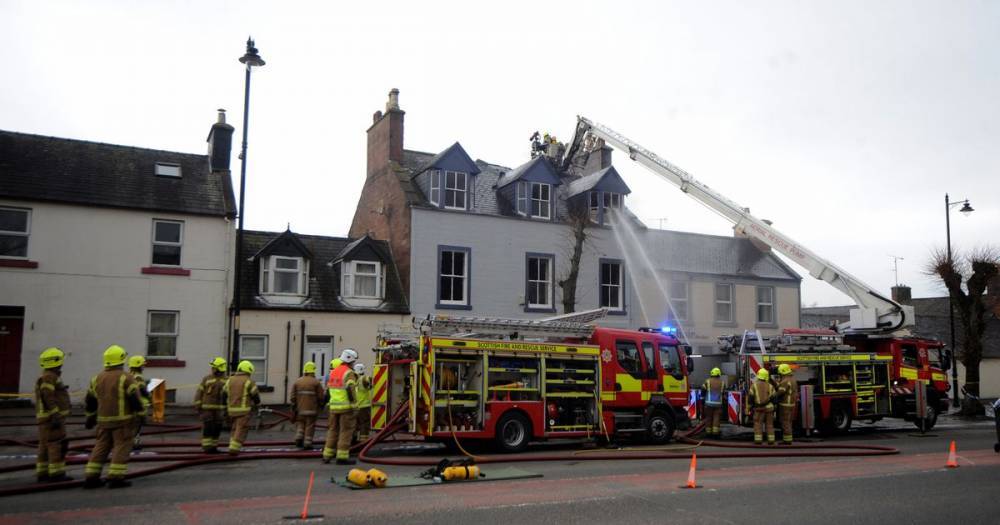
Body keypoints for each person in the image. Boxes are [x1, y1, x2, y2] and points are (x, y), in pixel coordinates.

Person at [83, 345, 144, 489]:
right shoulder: (126, 377)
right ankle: (116, 478)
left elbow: (90, 400)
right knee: (121, 447)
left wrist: (90, 417)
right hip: (123, 422)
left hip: (103, 422)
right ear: (122, 359)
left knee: (100, 447)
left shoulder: (96, 378)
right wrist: (141, 414)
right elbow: (134, 398)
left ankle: (91, 476)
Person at [35, 347, 72, 483]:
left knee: (44, 446)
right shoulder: (50, 377)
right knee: (56, 445)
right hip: (52, 418)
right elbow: (48, 396)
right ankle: (57, 473)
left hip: (46, 418)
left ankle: (43, 472)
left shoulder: (46, 376)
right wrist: (55, 414)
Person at [323, 349, 359, 465]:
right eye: (353, 361)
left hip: (333, 408)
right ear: (350, 360)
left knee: (332, 431)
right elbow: (351, 390)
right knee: (346, 432)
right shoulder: (349, 373)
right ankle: (342, 457)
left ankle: (327, 455)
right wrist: (355, 406)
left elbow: (328, 391)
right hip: (346, 408)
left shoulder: (333, 372)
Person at [225, 360, 261, 455]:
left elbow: (224, 394)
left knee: (234, 429)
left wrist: (226, 407)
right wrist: (258, 404)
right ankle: (234, 449)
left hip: (231, 410)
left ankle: (232, 445)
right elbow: (255, 395)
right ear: (248, 371)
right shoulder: (248, 381)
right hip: (243, 411)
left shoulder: (230, 380)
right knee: (241, 429)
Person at [194, 357, 228, 453]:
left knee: (217, 428)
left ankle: (214, 447)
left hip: (219, 410)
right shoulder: (207, 379)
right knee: (208, 428)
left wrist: (227, 409)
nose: (212, 369)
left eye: (214, 367)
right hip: (207, 409)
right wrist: (198, 405)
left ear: (218, 368)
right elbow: (199, 392)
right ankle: (207, 448)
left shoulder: (227, 380)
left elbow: (229, 396)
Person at [290, 361, 326, 450]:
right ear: (313, 371)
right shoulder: (316, 382)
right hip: (312, 410)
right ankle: (307, 443)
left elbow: (292, 397)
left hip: (300, 410)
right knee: (310, 426)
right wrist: (321, 405)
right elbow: (321, 397)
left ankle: (298, 438)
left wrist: (294, 406)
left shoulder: (297, 382)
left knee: (301, 424)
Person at [745, 368, 776, 445]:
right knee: (770, 425)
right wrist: (774, 408)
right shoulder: (770, 386)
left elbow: (750, 398)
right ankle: (771, 440)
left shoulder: (754, 386)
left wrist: (748, 408)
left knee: (758, 424)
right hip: (769, 409)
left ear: (758, 376)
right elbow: (774, 398)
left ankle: (758, 440)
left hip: (759, 409)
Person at [127, 356, 151, 448]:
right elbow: (142, 389)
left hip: (131, 405)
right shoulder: (138, 377)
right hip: (140, 405)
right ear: (138, 366)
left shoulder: (129, 376)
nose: (143, 367)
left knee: (132, 425)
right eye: (142, 365)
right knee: (136, 426)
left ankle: (132, 442)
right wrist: (149, 396)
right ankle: (133, 443)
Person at [775, 364, 798, 445]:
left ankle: (787, 441)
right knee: (789, 422)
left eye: (780, 373)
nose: (779, 375)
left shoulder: (785, 381)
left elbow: (780, 392)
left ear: (782, 372)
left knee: (785, 422)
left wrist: (772, 396)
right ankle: (788, 439)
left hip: (785, 405)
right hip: (791, 404)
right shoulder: (792, 379)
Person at [701, 367, 725, 438]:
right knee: (716, 418)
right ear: (719, 374)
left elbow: (703, 390)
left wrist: (702, 399)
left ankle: (708, 433)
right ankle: (715, 433)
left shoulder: (707, 381)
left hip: (708, 404)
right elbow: (723, 393)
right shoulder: (722, 382)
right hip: (718, 404)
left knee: (708, 417)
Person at [353, 363, 372, 443]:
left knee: (354, 424)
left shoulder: (352, 380)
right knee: (364, 424)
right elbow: (369, 380)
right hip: (364, 406)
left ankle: (353, 439)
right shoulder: (363, 378)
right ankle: (363, 441)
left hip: (354, 407)